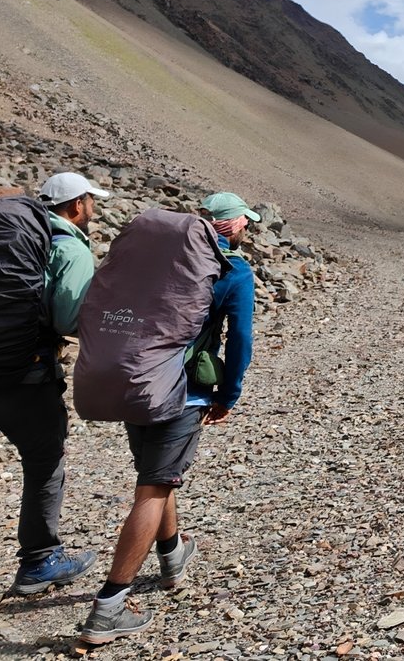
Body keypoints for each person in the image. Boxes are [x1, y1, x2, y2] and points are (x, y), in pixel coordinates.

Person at [78, 192, 258, 646]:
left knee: (158, 475)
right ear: (232, 226)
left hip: (132, 382)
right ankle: (108, 606)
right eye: (244, 222)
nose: (248, 228)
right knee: (153, 488)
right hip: (181, 395)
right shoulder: (232, 272)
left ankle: (172, 555)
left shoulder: (158, 266)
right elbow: (239, 339)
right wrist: (228, 395)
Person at [0, 173, 107, 632]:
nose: (93, 208)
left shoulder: (0, 237)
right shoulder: (69, 247)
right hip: (24, 375)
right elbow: (70, 317)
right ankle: (39, 561)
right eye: (91, 201)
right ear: (77, 205)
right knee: (45, 461)